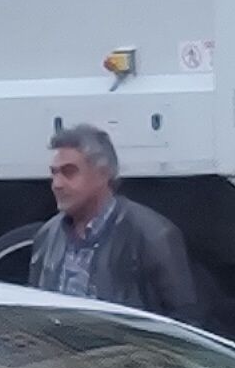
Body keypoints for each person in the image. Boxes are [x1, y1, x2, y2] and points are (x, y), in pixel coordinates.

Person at [24, 123, 206, 325]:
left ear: (103, 174)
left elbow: (186, 321)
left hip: (125, 354)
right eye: (54, 173)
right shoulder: (47, 236)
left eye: (69, 172)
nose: (57, 184)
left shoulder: (153, 235)